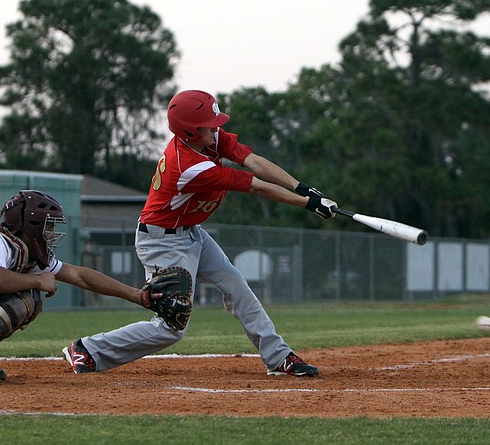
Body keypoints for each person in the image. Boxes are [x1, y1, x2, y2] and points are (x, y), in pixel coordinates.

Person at [63, 90, 337, 377]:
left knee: (237, 287)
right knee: (172, 327)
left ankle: (279, 357)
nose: (215, 127)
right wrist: (308, 205)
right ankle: (88, 349)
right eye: (208, 124)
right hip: (161, 242)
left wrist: (301, 188)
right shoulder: (190, 167)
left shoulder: (209, 139)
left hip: (191, 232)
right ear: (190, 132)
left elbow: (252, 160)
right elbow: (256, 185)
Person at [0, 190, 153, 385]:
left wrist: (138, 296)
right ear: (32, 225)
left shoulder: (24, 252)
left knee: (28, 298)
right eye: (49, 226)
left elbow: (79, 275)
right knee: (23, 296)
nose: (51, 234)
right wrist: (36, 280)